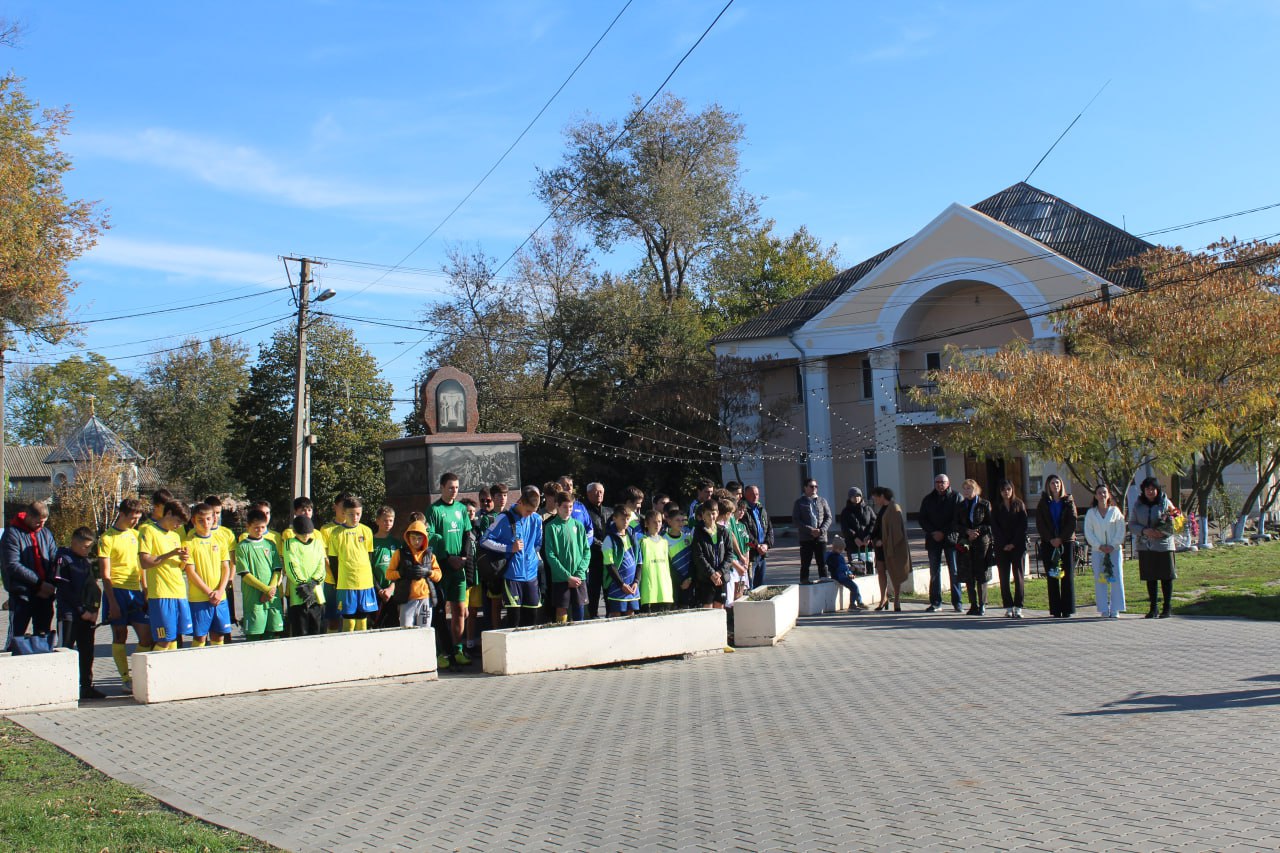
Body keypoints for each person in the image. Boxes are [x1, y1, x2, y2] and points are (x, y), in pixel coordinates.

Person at [97, 498, 152, 682]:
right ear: (121, 514)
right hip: (116, 590)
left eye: (138, 518)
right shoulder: (107, 538)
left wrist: (145, 590)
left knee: (147, 637)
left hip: (134, 592)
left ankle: (136, 674)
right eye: (132, 518)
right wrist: (112, 602)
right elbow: (105, 574)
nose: (135, 522)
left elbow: (141, 566)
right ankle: (125, 678)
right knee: (120, 636)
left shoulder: (136, 536)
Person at [478, 485, 544, 628]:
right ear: (520, 502)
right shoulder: (504, 518)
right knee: (514, 619)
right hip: (512, 575)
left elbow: (538, 543)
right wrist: (508, 548)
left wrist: (531, 558)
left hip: (531, 575)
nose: (529, 515)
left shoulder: (536, 519)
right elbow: (484, 540)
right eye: (528, 511)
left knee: (532, 619)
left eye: (533, 511)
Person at [52, 527, 104, 698]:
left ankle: (86, 686)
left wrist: (94, 611)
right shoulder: (63, 560)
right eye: (85, 547)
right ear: (74, 542)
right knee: (65, 650)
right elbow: (65, 589)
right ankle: (63, 687)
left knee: (87, 651)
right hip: (69, 615)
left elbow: (93, 589)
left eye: (90, 547)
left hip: (87, 616)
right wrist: (81, 611)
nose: (88, 550)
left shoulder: (85, 562)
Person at [2, 500, 59, 652]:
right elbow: (13, 565)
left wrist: (51, 582)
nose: (41, 527)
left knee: (43, 635)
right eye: (38, 523)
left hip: (45, 594)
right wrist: (39, 584)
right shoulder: (12, 534)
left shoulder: (45, 533)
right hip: (22, 594)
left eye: (44, 523)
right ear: (28, 516)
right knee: (17, 635)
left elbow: (54, 559)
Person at [429, 473, 472, 665]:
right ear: (441, 488)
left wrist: (463, 557)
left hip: (459, 567)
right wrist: (447, 558)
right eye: (450, 487)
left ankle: (458, 650)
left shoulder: (461, 509)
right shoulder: (434, 510)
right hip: (442, 566)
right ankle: (440, 653)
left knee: (460, 610)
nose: (454, 490)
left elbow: (467, 534)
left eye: (456, 487)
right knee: (439, 611)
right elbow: (431, 537)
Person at [139, 500, 192, 650]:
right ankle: (150, 671)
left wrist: (183, 560)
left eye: (182, 523)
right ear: (168, 513)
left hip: (179, 592)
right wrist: (171, 554)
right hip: (161, 593)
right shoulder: (148, 530)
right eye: (177, 521)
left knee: (174, 637)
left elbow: (178, 567)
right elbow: (145, 562)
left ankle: (170, 673)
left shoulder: (175, 536)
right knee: (164, 640)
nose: (179, 526)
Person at [184, 502, 233, 647]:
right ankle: (197, 668)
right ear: (193, 520)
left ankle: (217, 668)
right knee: (200, 638)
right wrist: (209, 592)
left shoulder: (220, 540)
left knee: (218, 636)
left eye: (208, 519)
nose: (205, 523)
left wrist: (220, 591)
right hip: (199, 598)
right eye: (200, 520)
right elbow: (190, 571)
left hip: (220, 597)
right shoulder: (188, 543)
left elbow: (226, 567)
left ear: (214, 520)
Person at [327, 496, 378, 632]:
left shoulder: (366, 531)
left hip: (365, 583)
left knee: (362, 622)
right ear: (344, 513)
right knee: (349, 623)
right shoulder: (336, 533)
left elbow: (369, 557)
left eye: (358, 514)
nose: (355, 517)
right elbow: (333, 561)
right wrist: (338, 581)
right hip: (346, 584)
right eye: (351, 514)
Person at [1130, 477, 1177, 619]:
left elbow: (1174, 520)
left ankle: (1167, 607)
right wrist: (1144, 530)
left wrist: (1161, 531)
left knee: (1166, 577)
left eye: (1153, 489)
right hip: (1146, 546)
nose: (1150, 492)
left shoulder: (1165, 503)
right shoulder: (1138, 505)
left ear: (1157, 489)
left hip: (1163, 545)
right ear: (1143, 491)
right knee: (1150, 577)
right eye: (1147, 489)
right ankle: (1153, 608)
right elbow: (1132, 524)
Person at [236, 508, 285, 641]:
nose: (260, 531)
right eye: (256, 528)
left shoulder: (270, 544)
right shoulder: (242, 547)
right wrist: (265, 589)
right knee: (254, 636)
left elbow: (277, 569)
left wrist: (271, 589)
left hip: (271, 597)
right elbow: (245, 574)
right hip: (254, 599)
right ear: (248, 527)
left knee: (272, 634)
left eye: (263, 527)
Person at [385, 517, 440, 635]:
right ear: (408, 537)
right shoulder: (400, 553)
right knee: (406, 632)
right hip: (407, 599)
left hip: (425, 598)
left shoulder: (429, 555)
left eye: (419, 538)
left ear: (424, 539)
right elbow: (389, 574)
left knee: (424, 632)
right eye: (413, 538)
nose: (416, 541)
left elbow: (438, 575)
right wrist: (402, 573)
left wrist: (428, 572)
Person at [543, 488, 590, 622]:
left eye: (571, 506)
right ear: (557, 505)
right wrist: (566, 576)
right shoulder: (551, 527)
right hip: (561, 578)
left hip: (579, 577)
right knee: (561, 608)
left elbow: (586, 551)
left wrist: (580, 573)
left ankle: (579, 634)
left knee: (579, 606)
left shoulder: (578, 525)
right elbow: (550, 554)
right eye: (565, 506)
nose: (568, 509)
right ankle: (560, 634)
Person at [1036, 474, 1078, 618]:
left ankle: (1067, 609)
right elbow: (1040, 523)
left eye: (1058, 483)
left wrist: (1061, 538)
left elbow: (1072, 522)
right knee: (1052, 576)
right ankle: (1055, 609)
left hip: (1066, 543)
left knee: (1067, 576)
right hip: (1049, 543)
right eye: (1053, 483)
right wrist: (1050, 539)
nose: (1056, 485)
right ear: (1048, 486)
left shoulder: (1068, 501)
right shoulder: (1043, 503)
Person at [919, 474, 963, 613]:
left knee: (954, 571)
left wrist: (943, 532)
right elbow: (922, 519)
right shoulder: (928, 499)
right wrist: (933, 532)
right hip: (933, 540)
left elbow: (957, 518)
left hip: (950, 538)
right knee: (934, 571)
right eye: (937, 482)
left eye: (942, 482)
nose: (940, 484)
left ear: (948, 483)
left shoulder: (956, 497)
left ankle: (957, 602)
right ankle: (936, 602)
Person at [1085, 484, 1127, 619]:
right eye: (1099, 493)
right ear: (1095, 496)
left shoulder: (1115, 511)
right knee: (1101, 579)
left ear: (1108, 495)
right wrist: (1099, 546)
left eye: (1104, 492)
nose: (1102, 495)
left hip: (1114, 550)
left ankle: (1116, 609)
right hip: (1099, 551)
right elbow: (1089, 532)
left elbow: (1121, 529)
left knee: (1116, 578)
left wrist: (1113, 545)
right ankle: (1103, 609)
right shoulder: (1091, 513)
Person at [281, 516, 327, 637]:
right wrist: (303, 584)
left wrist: (313, 583)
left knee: (317, 630)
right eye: (302, 534)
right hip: (299, 594)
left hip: (316, 594)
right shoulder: (290, 544)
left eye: (308, 533)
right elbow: (291, 565)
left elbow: (321, 566)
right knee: (300, 632)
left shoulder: (317, 543)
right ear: (295, 532)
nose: (306, 536)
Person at [954, 479, 994, 615]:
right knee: (968, 574)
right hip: (966, 543)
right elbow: (956, 524)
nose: (966, 491)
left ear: (975, 490)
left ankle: (982, 604)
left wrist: (977, 531)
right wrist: (967, 532)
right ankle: (973, 604)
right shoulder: (960, 506)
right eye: (964, 488)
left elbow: (989, 524)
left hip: (981, 543)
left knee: (981, 574)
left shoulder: (984, 504)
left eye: (969, 488)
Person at [991, 480, 1028, 619]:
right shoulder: (996, 507)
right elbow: (995, 527)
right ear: (1000, 492)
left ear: (1012, 490)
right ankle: (1008, 607)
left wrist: (1013, 543)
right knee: (1004, 577)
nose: (1006, 492)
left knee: (1018, 577)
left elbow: (1022, 526)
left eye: (1008, 489)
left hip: (1017, 546)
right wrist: (1004, 543)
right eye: (1003, 490)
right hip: (1002, 547)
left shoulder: (1019, 505)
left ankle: (1018, 607)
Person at [871, 486, 910, 612]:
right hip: (880, 547)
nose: (874, 500)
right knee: (881, 571)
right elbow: (878, 528)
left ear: (882, 496)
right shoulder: (882, 509)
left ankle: (897, 600)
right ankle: (883, 598)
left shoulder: (894, 508)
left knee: (895, 572)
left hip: (892, 547)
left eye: (875, 497)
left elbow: (897, 532)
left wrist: (884, 541)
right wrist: (874, 538)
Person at [204, 495, 239, 629]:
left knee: (225, 625)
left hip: (224, 585)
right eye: (212, 513)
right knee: (204, 628)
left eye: (218, 513)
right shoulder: (194, 534)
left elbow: (232, 560)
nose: (215, 516)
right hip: (205, 587)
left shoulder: (227, 533)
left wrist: (230, 579)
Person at [602, 505, 641, 616]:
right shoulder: (609, 539)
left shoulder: (633, 536)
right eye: (622, 519)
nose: (625, 521)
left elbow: (639, 562)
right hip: (617, 585)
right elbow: (610, 565)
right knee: (615, 615)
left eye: (627, 519)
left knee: (631, 614)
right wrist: (621, 584)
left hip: (632, 585)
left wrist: (636, 582)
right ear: (614, 519)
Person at [793, 478, 832, 584]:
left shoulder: (822, 501)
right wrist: (810, 530)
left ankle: (824, 583)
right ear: (805, 488)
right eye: (811, 486)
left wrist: (821, 530)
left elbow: (829, 517)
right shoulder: (799, 502)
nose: (814, 488)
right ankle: (804, 583)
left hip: (821, 538)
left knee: (822, 563)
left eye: (816, 486)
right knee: (805, 564)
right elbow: (796, 520)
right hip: (806, 538)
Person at [690, 502, 728, 609]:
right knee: (708, 608)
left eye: (713, 513)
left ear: (718, 513)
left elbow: (729, 554)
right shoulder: (698, 532)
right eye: (708, 514)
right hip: (706, 578)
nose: (711, 517)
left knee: (720, 607)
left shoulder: (723, 531)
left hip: (721, 577)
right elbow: (698, 556)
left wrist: (720, 572)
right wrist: (711, 574)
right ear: (702, 515)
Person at [637, 509, 674, 613]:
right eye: (654, 522)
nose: (657, 524)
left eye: (659, 521)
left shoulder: (664, 542)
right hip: (649, 591)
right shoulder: (643, 541)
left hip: (664, 590)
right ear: (646, 524)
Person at [583, 482, 609, 619]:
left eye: (601, 492)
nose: (599, 494)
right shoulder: (584, 511)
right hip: (593, 556)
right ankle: (592, 615)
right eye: (596, 491)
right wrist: (601, 544)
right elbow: (587, 534)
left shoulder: (609, 511)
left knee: (608, 588)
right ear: (588, 494)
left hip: (608, 556)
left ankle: (610, 613)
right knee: (593, 589)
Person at [370, 506, 398, 629]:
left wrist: (391, 588)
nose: (388, 523)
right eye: (385, 520)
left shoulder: (396, 543)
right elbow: (367, 569)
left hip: (392, 592)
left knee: (393, 626)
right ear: (377, 521)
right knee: (375, 625)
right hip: (376, 592)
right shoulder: (370, 542)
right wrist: (379, 589)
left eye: (391, 520)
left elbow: (400, 568)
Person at [741, 485, 774, 588]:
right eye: (752, 494)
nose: (755, 496)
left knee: (760, 586)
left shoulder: (761, 509)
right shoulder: (743, 510)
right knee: (750, 586)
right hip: (751, 554)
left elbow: (769, 529)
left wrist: (766, 545)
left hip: (762, 554)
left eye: (757, 494)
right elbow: (745, 532)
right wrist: (757, 545)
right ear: (745, 495)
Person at [839, 487, 876, 576]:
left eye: (858, 495)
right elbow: (845, 527)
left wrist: (869, 535)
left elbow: (874, 522)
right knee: (857, 571)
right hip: (854, 545)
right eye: (854, 496)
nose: (856, 498)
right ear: (850, 498)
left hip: (867, 544)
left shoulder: (868, 509)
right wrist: (855, 538)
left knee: (869, 570)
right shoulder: (845, 512)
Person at [824, 536, 867, 610]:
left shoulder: (838, 556)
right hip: (839, 577)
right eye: (840, 549)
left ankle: (858, 602)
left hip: (842, 576)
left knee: (854, 587)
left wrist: (849, 572)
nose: (841, 551)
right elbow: (840, 568)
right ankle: (854, 603)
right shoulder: (833, 557)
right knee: (854, 587)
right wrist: (849, 570)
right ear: (836, 548)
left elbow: (843, 567)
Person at [663, 505, 693, 608]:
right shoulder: (663, 540)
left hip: (688, 581)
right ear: (669, 522)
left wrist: (689, 579)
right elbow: (667, 565)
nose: (681, 523)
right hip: (674, 582)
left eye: (682, 520)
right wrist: (680, 581)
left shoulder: (688, 538)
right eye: (677, 520)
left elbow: (692, 560)